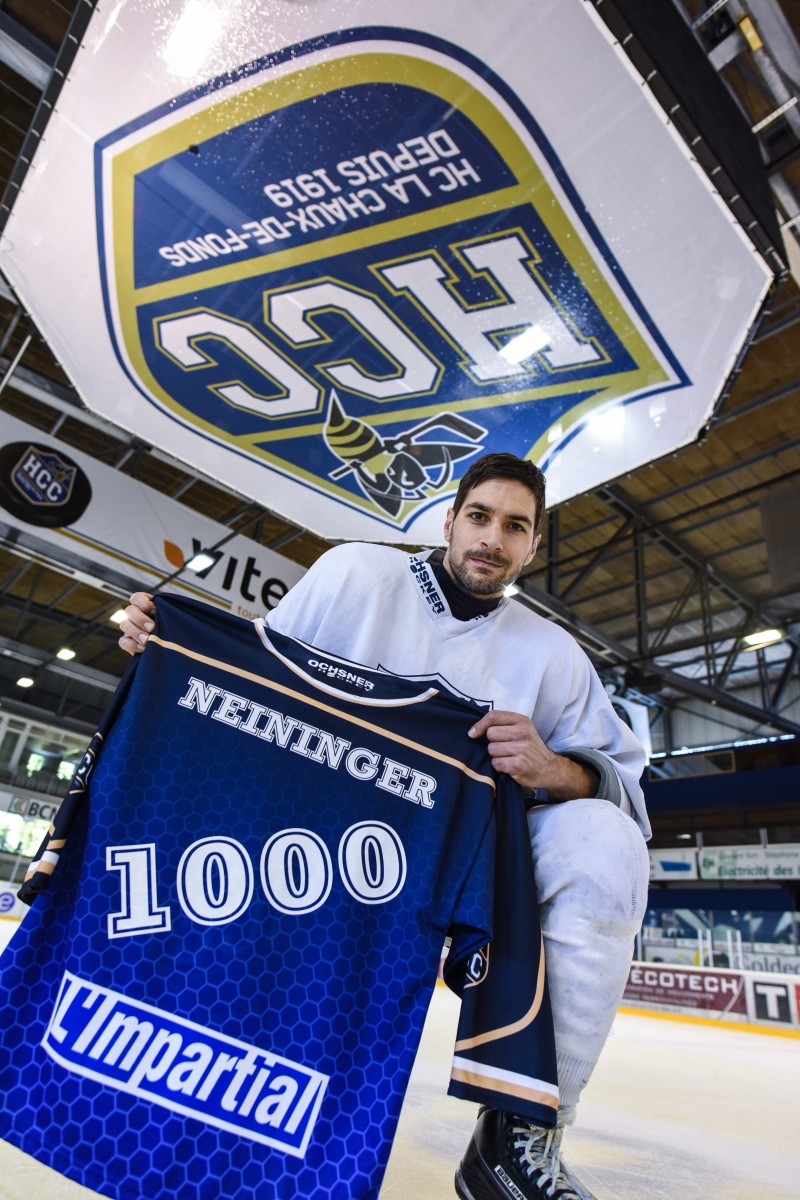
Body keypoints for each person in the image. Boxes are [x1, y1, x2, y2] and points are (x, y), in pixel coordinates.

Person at [119, 452, 649, 1200]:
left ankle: (519, 1136)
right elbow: (251, 682)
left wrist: (557, 770)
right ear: (449, 520)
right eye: (480, 516)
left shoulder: (554, 656)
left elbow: (627, 784)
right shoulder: (354, 574)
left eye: (516, 526)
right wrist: (168, 645)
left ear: (533, 547)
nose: (493, 537)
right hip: (321, 847)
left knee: (606, 845)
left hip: (462, 867)